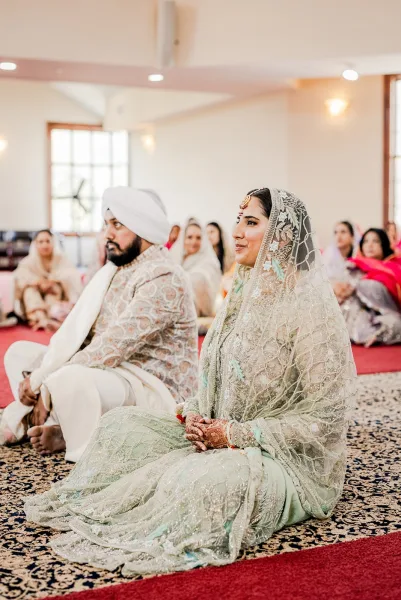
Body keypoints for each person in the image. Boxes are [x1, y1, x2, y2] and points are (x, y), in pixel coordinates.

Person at [24, 188, 356, 577]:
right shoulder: (242, 298)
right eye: (239, 219)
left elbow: (326, 417)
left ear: (282, 235)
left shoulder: (307, 309)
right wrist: (197, 414)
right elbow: (215, 379)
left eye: (251, 222)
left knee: (202, 481)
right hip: (218, 434)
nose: (236, 231)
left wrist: (235, 434)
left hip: (280, 457)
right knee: (120, 427)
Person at [1, 187, 198, 461]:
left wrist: (44, 383)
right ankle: (57, 417)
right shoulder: (116, 269)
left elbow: (110, 347)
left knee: (69, 377)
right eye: (107, 224)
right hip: (113, 373)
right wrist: (43, 373)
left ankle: (70, 433)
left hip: (153, 387)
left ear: (142, 228)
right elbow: (82, 335)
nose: (107, 234)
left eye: (117, 225)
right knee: (19, 353)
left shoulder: (165, 277)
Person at [335, 228, 401, 346]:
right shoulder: (353, 266)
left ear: (384, 245)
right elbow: (340, 291)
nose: (370, 245)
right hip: (357, 312)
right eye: (366, 241)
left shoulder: (393, 268)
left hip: (385, 315)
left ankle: (378, 335)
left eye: (375, 241)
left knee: (396, 323)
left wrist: (357, 286)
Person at [13, 230, 82, 331]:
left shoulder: (61, 259)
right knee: (30, 291)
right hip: (36, 293)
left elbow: (71, 274)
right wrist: (39, 282)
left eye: (47, 241)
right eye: (41, 242)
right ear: (35, 244)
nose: (44, 245)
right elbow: (20, 276)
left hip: (54, 295)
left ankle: (51, 318)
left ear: (53, 243)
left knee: (55, 289)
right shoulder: (28, 261)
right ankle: (40, 318)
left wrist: (53, 281)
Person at [171, 220, 221, 317]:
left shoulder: (209, 260)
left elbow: (203, 280)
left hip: (196, 313)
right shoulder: (175, 256)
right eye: (189, 237)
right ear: (183, 239)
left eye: (198, 238)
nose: (194, 242)